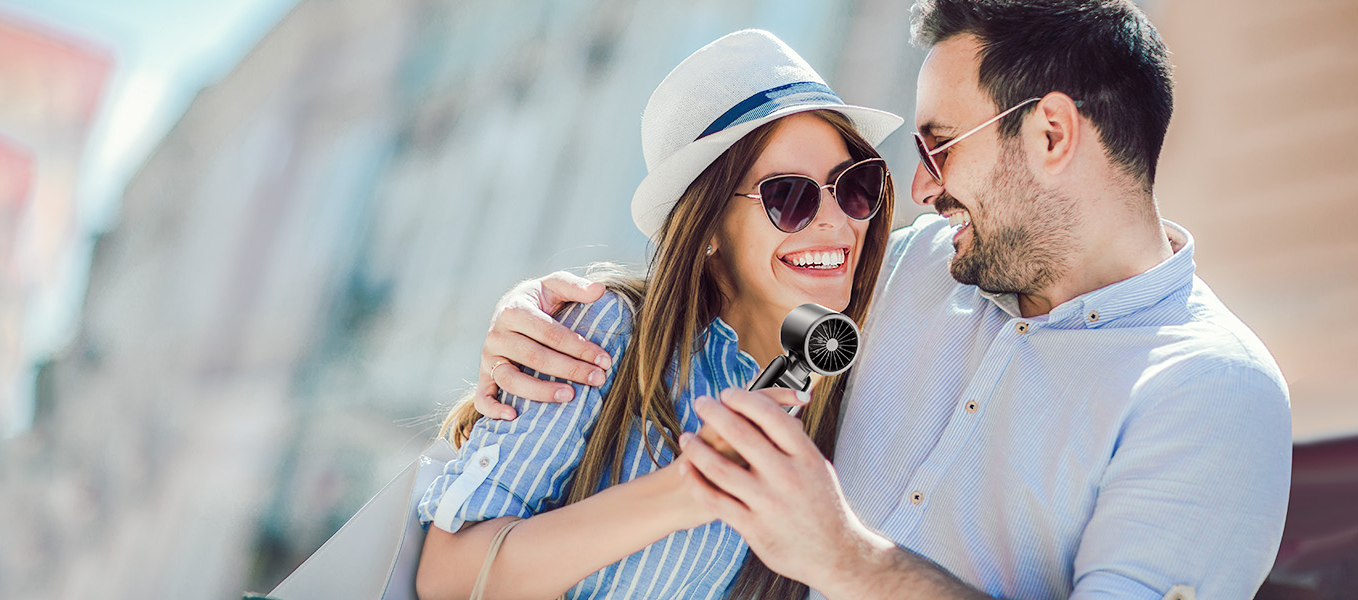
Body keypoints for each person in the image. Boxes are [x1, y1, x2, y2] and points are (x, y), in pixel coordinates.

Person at [471, 1, 1293, 599]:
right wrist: (541, 313)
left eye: (939, 147)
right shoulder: (906, 270)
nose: (918, 186)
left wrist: (846, 558)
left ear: (1050, 134)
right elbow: (733, 286)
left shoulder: (1214, 396)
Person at [414, 30, 904, 599]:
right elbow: (447, 578)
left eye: (855, 187)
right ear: (709, 226)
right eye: (790, 196)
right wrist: (695, 484)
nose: (837, 223)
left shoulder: (841, 378)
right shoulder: (608, 334)